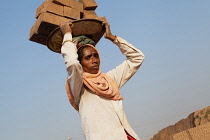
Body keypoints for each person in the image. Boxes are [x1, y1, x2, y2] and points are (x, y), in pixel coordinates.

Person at [59, 21, 144, 140]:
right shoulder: (79, 87)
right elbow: (72, 63)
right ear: (80, 63)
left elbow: (137, 58)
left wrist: (113, 38)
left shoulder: (110, 80)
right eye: (87, 58)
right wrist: (67, 36)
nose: (94, 60)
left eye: (95, 55)